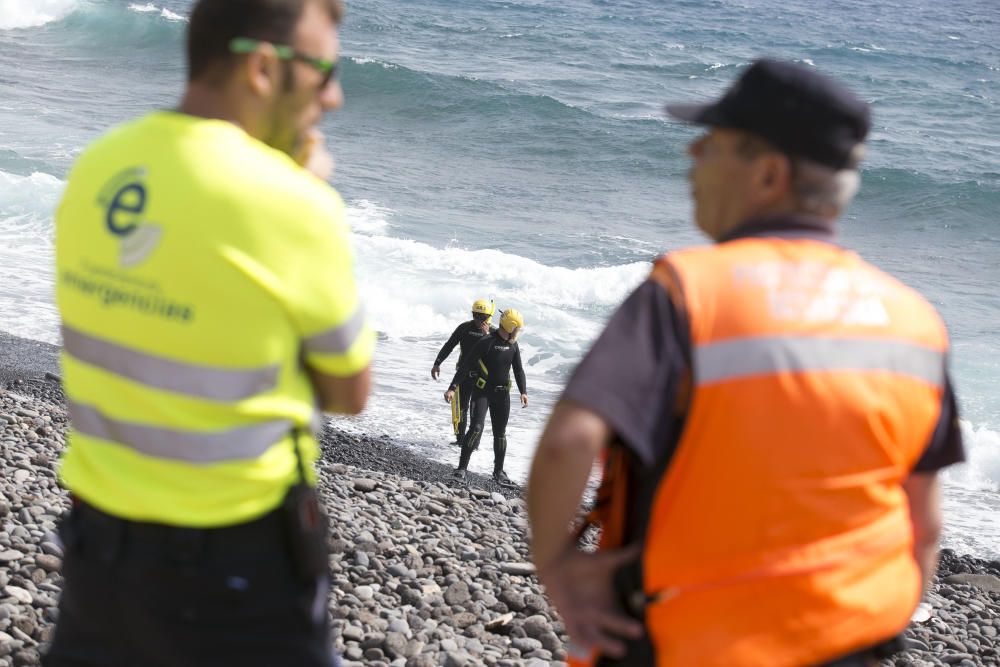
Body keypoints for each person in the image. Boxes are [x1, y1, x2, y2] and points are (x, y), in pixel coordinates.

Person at [527, 59, 964, 667]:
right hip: (851, 642)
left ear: (768, 174)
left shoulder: (686, 291)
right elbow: (925, 522)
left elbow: (568, 441)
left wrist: (557, 564)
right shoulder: (914, 320)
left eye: (715, 141)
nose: (693, 151)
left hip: (690, 640)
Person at [45, 1, 373, 666]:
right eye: (322, 72)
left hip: (96, 555)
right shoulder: (292, 204)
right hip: (238, 566)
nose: (334, 97)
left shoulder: (98, 166)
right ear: (261, 67)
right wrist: (298, 190)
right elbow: (348, 390)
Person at [445, 308, 528, 484]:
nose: (518, 332)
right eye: (517, 328)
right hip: (482, 393)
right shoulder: (486, 342)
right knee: (476, 427)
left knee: (500, 434)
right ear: (510, 326)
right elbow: (466, 365)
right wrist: (453, 387)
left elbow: (518, 370)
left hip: (502, 395)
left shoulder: (513, 345)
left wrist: (523, 391)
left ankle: (499, 472)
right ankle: (461, 469)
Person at [432, 298, 496, 442]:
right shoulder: (464, 328)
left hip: (483, 379)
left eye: (483, 317)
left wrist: (487, 336)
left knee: (477, 414)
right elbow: (449, 345)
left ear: (489, 317)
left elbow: (499, 357)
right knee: (460, 409)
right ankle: (460, 441)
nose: (479, 320)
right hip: (463, 374)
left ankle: (473, 444)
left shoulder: (494, 334)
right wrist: (437, 363)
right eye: (475, 315)